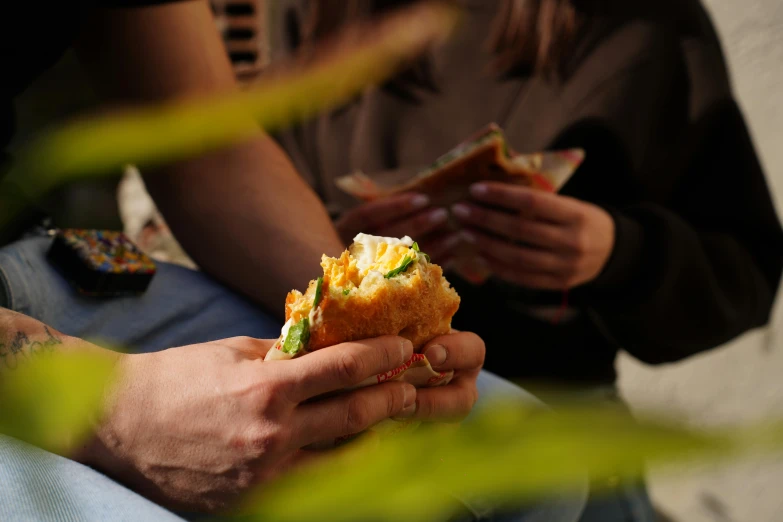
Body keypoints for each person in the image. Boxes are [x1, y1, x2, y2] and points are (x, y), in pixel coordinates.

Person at [0, 1, 589, 521]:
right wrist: (117, 413)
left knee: (535, 470)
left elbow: (206, 141)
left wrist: (357, 318)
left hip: (27, 265)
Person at [270, 0, 783, 520]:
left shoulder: (642, 20)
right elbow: (249, 209)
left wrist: (619, 253)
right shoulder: (318, 12)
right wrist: (334, 249)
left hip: (558, 440)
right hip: (352, 443)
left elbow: (746, 273)